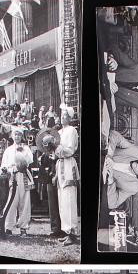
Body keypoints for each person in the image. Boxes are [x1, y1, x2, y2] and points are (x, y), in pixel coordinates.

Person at [0, 128, 35, 237]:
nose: (17, 137)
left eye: (19, 135)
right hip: (12, 176)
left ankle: (23, 227)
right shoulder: (8, 150)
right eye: (15, 134)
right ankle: (8, 227)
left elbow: (29, 160)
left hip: (23, 175)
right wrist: (5, 169)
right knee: (11, 201)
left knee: (24, 202)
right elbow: (4, 164)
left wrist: (22, 153)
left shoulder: (26, 148)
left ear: (22, 136)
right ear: (12, 136)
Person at [56, 105, 80, 245]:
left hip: (68, 164)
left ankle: (73, 232)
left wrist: (58, 149)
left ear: (70, 118)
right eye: (61, 115)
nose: (62, 117)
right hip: (60, 164)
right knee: (62, 199)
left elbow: (70, 149)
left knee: (69, 198)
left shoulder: (72, 130)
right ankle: (67, 231)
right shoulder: (59, 132)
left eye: (65, 115)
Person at [37, 134, 62, 237]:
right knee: (52, 205)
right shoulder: (45, 155)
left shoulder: (59, 152)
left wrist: (55, 159)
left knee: (61, 204)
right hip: (50, 181)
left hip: (60, 179)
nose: (46, 147)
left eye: (47, 144)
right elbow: (43, 168)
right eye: (45, 145)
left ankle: (64, 229)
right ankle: (55, 229)